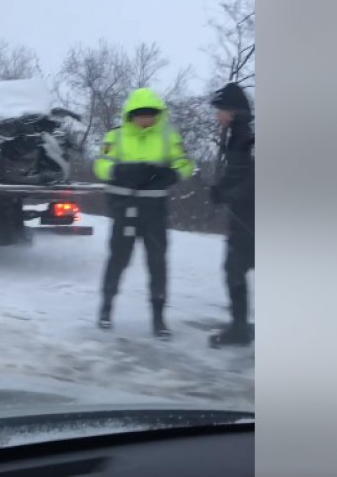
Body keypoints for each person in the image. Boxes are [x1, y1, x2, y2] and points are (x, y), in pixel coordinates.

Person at [93, 88, 193, 339]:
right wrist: (118, 172)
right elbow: (100, 163)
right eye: (139, 115)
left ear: (157, 114)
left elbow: (185, 163)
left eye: (150, 114)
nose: (145, 119)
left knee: (157, 264)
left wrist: (172, 174)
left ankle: (159, 319)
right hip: (124, 209)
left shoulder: (169, 136)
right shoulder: (115, 136)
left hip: (155, 211)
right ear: (131, 115)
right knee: (117, 260)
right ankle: (106, 309)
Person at [209, 82, 255, 348]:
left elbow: (253, 179)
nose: (217, 116)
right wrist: (222, 189)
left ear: (233, 111)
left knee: (234, 269)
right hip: (245, 217)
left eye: (220, 110)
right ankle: (239, 327)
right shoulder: (238, 134)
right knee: (234, 269)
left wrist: (226, 194)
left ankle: (239, 330)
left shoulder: (246, 137)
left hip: (250, 219)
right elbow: (238, 175)